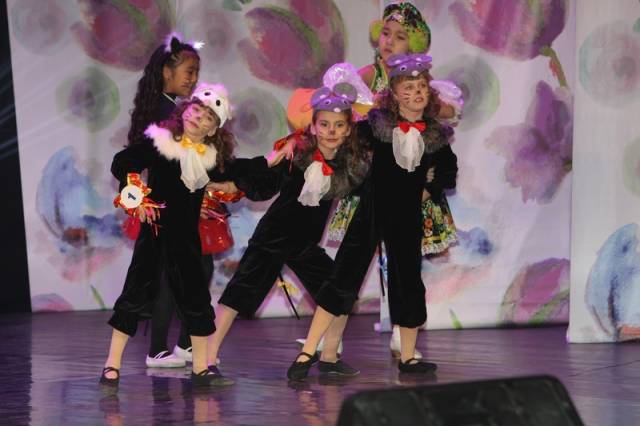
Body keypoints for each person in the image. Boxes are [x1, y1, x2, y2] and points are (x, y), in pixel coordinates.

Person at [100, 83, 283, 387]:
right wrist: (134, 192)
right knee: (134, 294)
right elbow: (124, 161)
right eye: (196, 110)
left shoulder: (210, 159)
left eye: (208, 117)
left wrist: (270, 159)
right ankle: (111, 364)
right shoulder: (160, 142)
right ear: (185, 111)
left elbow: (239, 169)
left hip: (185, 239)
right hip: (154, 234)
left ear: (214, 129)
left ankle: (201, 368)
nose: (199, 118)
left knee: (195, 299)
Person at [289, 53, 458, 379]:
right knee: (344, 276)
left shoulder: (435, 135)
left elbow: (448, 171)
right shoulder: (376, 126)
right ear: (395, 94)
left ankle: (408, 358)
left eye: (421, 87)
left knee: (408, 282)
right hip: (372, 210)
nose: (416, 93)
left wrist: (425, 191)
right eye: (408, 88)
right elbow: (342, 144)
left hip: (406, 218)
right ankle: (309, 352)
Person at [205, 82, 370, 377]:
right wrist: (232, 185)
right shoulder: (296, 155)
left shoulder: (349, 165)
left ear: (348, 130)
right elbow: (266, 181)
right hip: (273, 237)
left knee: (340, 293)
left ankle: (329, 358)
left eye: (338, 125)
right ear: (314, 127)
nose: (331, 131)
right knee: (237, 295)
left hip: (305, 245)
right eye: (324, 124)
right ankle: (207, 358)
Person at [127, 33, 202, 368]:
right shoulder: (165, 112)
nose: (193, 79)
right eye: (189, 72)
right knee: (174, 275)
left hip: (171, 201)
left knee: (178, 274)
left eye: (196, 73)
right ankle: (165, 347)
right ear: (166, 73)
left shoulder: (169, 107)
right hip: (169, 203)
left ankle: (177, 345)